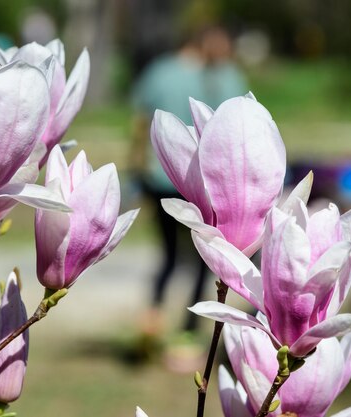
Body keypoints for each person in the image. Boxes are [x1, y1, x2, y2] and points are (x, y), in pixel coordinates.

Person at [131, 25, 247, 371]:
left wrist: (136, 166)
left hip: (157, 175)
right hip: (198, 183)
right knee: (199, 260)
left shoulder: (159, 71)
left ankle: (152, 324)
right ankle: (185, 335)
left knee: (167, 257)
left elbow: (140, 122)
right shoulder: (220, 76)